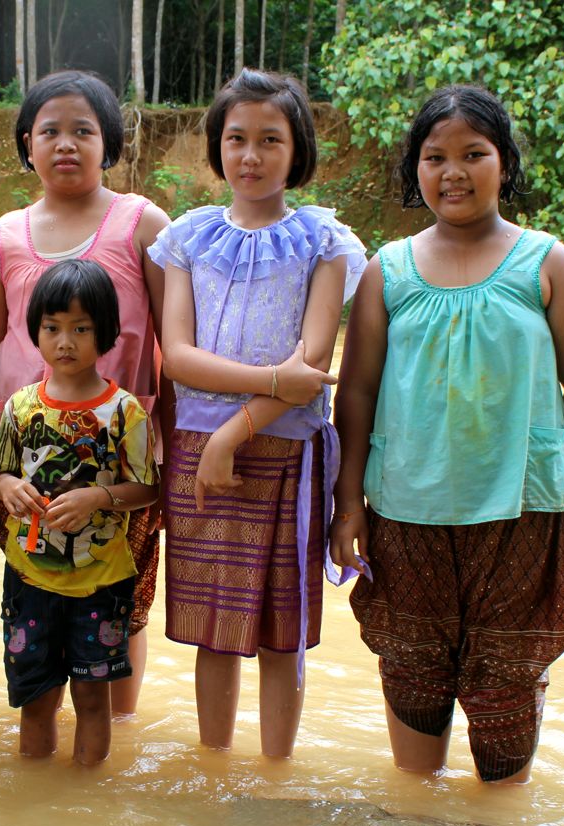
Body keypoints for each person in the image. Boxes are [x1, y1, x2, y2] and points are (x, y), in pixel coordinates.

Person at [331, 84, 564, 784]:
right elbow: (357, 393)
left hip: (523, 510)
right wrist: (348, 506)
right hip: (405, 509)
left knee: (506, 687)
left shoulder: (546, 262)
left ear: (504, 164)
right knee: (414, 674)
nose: (453, 171)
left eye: (473, 154)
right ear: (414, 170)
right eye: (435, 157)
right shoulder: (385, 271)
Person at [149, 69, 367, 758]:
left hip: (285, 453)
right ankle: (215, 769)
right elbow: (178, 356)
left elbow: (315, 367)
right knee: (212, 630)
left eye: (270, 139)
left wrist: (236, 429)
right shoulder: (187, 238)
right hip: (194, 447)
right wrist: (258, 393)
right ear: (217, 147)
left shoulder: (326, 243)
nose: (251, 155)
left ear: (297, 149)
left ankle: (276, 772)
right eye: (237, 138)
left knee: (281, 631)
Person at [0, 70, 171, 719]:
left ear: (108, 142)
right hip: (21, 468)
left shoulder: (143, 225)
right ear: (27, 142)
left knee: (120, 607)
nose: (65, 143)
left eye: (83, 130)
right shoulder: (0, 239)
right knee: (37, 611)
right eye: (49, 130)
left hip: (121, 463)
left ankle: (117, 738)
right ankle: (45, 745)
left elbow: (174, 347)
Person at [0, 259, 159, 765]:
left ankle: (89, 799)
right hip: (29, 579)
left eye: (81, 329)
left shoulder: (126, 411)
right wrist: (7, 487)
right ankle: (39, 805)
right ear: (36, 332)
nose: (65, 341)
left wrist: (99, 497)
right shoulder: (20, 407)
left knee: (92, 699)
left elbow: (147, 488)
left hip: (101, 580)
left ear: (106, 334)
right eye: (53, 328)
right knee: (34, 699)